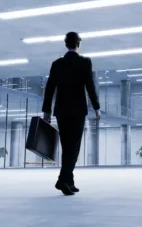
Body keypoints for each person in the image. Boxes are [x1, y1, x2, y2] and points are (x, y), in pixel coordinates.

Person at [42, 31, 101, 196]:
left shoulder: (57, 64)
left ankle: (69, 181)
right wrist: (96, 107)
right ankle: (62, 180)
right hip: (77, 110)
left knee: (67, 146)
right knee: (73, 147)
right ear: (78, 44)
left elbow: (50, 88)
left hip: (61, 110)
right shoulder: (84, 62)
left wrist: (46, 110)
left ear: (65, 44)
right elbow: (90, 85)